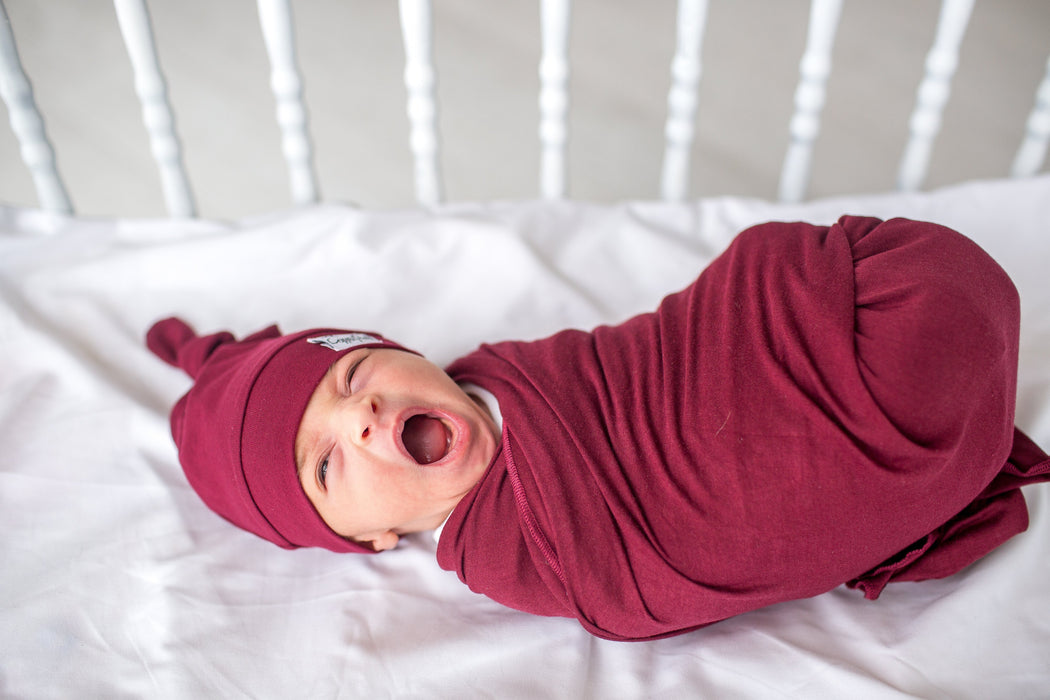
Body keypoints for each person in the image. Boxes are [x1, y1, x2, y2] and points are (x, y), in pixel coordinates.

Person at [147, 215, 1050, 641]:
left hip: (833, 296)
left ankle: (887, 381)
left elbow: (654, 357)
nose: (366, 415)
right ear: (369, 539)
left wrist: (745, 336)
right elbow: (648, 581)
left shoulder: (511, 371)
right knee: (911, 351)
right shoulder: (516, 553)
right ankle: (896, 422)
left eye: (352, 375)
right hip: (889, 354)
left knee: (903, 292)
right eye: (327, 466)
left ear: (408, 352)